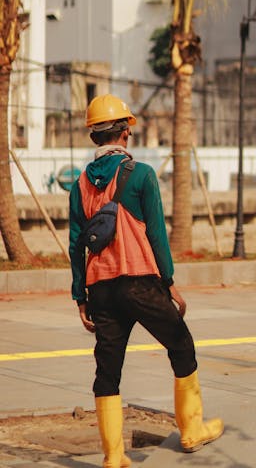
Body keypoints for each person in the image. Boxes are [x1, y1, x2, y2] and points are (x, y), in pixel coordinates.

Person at [69, 94, 223, 467]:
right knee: (181, 344)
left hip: (101, 289)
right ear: (125, 133)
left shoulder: (80, 186)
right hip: (140, 282)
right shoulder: (142, 175)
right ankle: (191, 430)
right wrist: (168, 281)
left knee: (108, 369)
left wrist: (80, 296)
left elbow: (76, 244)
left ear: (94, 137)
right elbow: (157, 234)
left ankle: (114, 456)